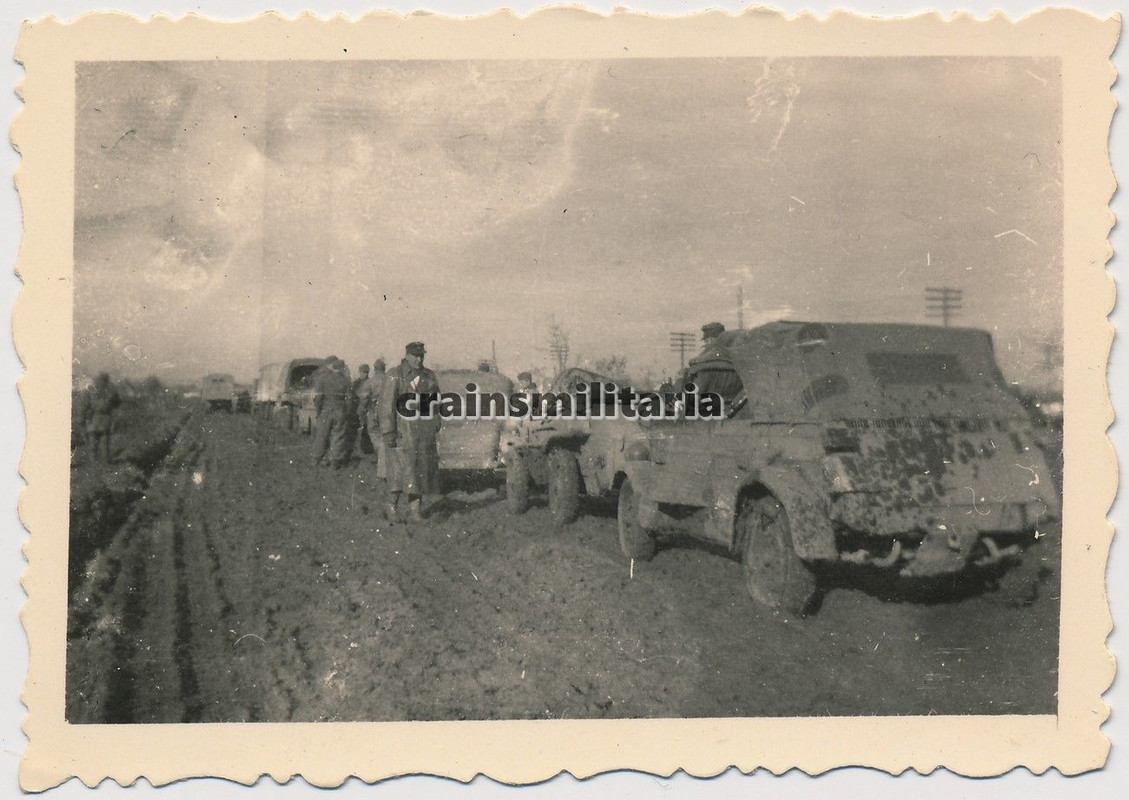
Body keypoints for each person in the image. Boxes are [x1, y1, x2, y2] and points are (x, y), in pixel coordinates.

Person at [378, 342, 441, 523]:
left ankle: (415, 511)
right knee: (399, 473)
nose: (418, 359)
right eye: (415, 355)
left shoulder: (429, 375)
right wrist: (388, 431)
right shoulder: (394, 375)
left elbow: (436, 401)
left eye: (421, 355)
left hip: (423, 433)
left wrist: (437, 419)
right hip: (402, 432)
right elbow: (386, 406)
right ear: (407, 355)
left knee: (419, 473)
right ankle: (391, 506)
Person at [310, 357, 352, 469]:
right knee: (338, 436)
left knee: (321, 435)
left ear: (332, 367)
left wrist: (318, 410)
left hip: (325, 409)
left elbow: (318, 398)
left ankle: (316, 459)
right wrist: (346, 412)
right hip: (340, 410)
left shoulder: (322, 379)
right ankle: (334, 462)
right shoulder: (346, 380)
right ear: (342, 368)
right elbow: (349, 399)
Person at [77, 373, 120, 463]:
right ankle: (102, 463)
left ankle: (96, 464)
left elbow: (84, 406)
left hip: (95, 419)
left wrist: (82, 419)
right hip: (100, 418)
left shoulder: (91, 390)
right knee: (102, 443)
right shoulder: (111, 391)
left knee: (95, 443)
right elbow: (117, 406)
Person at [352, 363, 373, 456]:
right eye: (363, 372)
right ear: (359, 372)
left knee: (366, 429)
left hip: (367, 408)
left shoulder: (371, 382)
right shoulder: (355, 383)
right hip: (357, 408)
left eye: (367, 372)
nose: (365, 374)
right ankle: (355, 449)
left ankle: (366, 448)